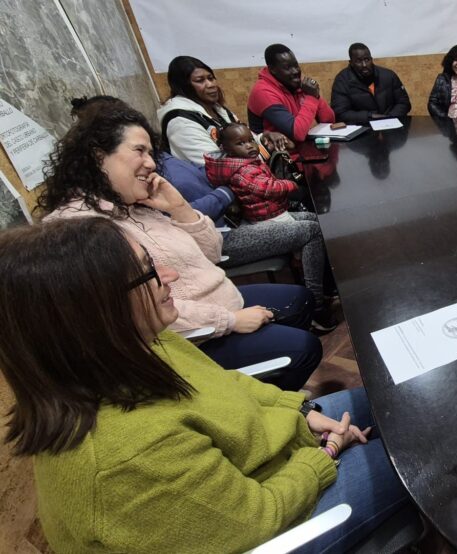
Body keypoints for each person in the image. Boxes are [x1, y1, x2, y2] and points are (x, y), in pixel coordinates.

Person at [0, 217, 409, 553]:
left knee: (401, 400)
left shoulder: (139, 345)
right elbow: (257, 519)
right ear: (95, 312)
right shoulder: (126, 457)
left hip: (268, 460)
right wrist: (327, 453)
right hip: (267, 519)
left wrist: (301, 411)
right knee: (416, 459)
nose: (170, 275)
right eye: (148, 272)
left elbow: (227, 383)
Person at [38, 105, 329, 390]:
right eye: (139, 151)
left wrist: (179, 208)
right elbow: (140, 314)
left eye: (150, 153)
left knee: (300, 301)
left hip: (214, 301)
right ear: (98, 156)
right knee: (304, 348)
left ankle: (268, 388)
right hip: (189, 340)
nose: (151, 163)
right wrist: (229, 321)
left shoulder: (133, 205)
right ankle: (250, 400)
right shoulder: (81, 231)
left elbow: (213, 253)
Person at [204, 123, 337, 320]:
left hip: (272, 212)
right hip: (264, 219)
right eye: (241, 143)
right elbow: (268, 188)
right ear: (226, 148)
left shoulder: (244, 162)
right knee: (313, 231)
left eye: (250, 140)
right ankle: (316, 303)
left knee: (313, 219)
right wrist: (291, 184)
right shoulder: (241, 170)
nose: (250, 145)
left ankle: (325, 285)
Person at [158, 55, 293, 166]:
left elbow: (244, 139)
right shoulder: (179, 121)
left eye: (211, 78)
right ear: (184, 87)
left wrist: (264, 138)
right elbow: (216, 165)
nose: (211, 85)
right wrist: (265, 151)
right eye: (200, 81)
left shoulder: (218, 110)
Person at [248, 44, 335, 142]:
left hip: (300, 147)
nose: (295, 71)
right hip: (275, 150)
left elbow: (329, 121)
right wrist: (311, 98)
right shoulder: (263, 92)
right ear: (272, 69)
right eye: (287, 67)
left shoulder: (292, 82)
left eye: (296, 65)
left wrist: (316, 96)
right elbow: (297, 134)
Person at [330, 43, 412, 124]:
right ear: (351, 63)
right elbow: (340, 113)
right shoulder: (342, 81)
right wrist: (370, 116)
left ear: (371, 59)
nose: (364, 65)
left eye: (367, 60)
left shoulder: (388, 75)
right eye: (358, 61)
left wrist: (389, 119)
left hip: (392, 124)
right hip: (363, 127)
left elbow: (404, 103)